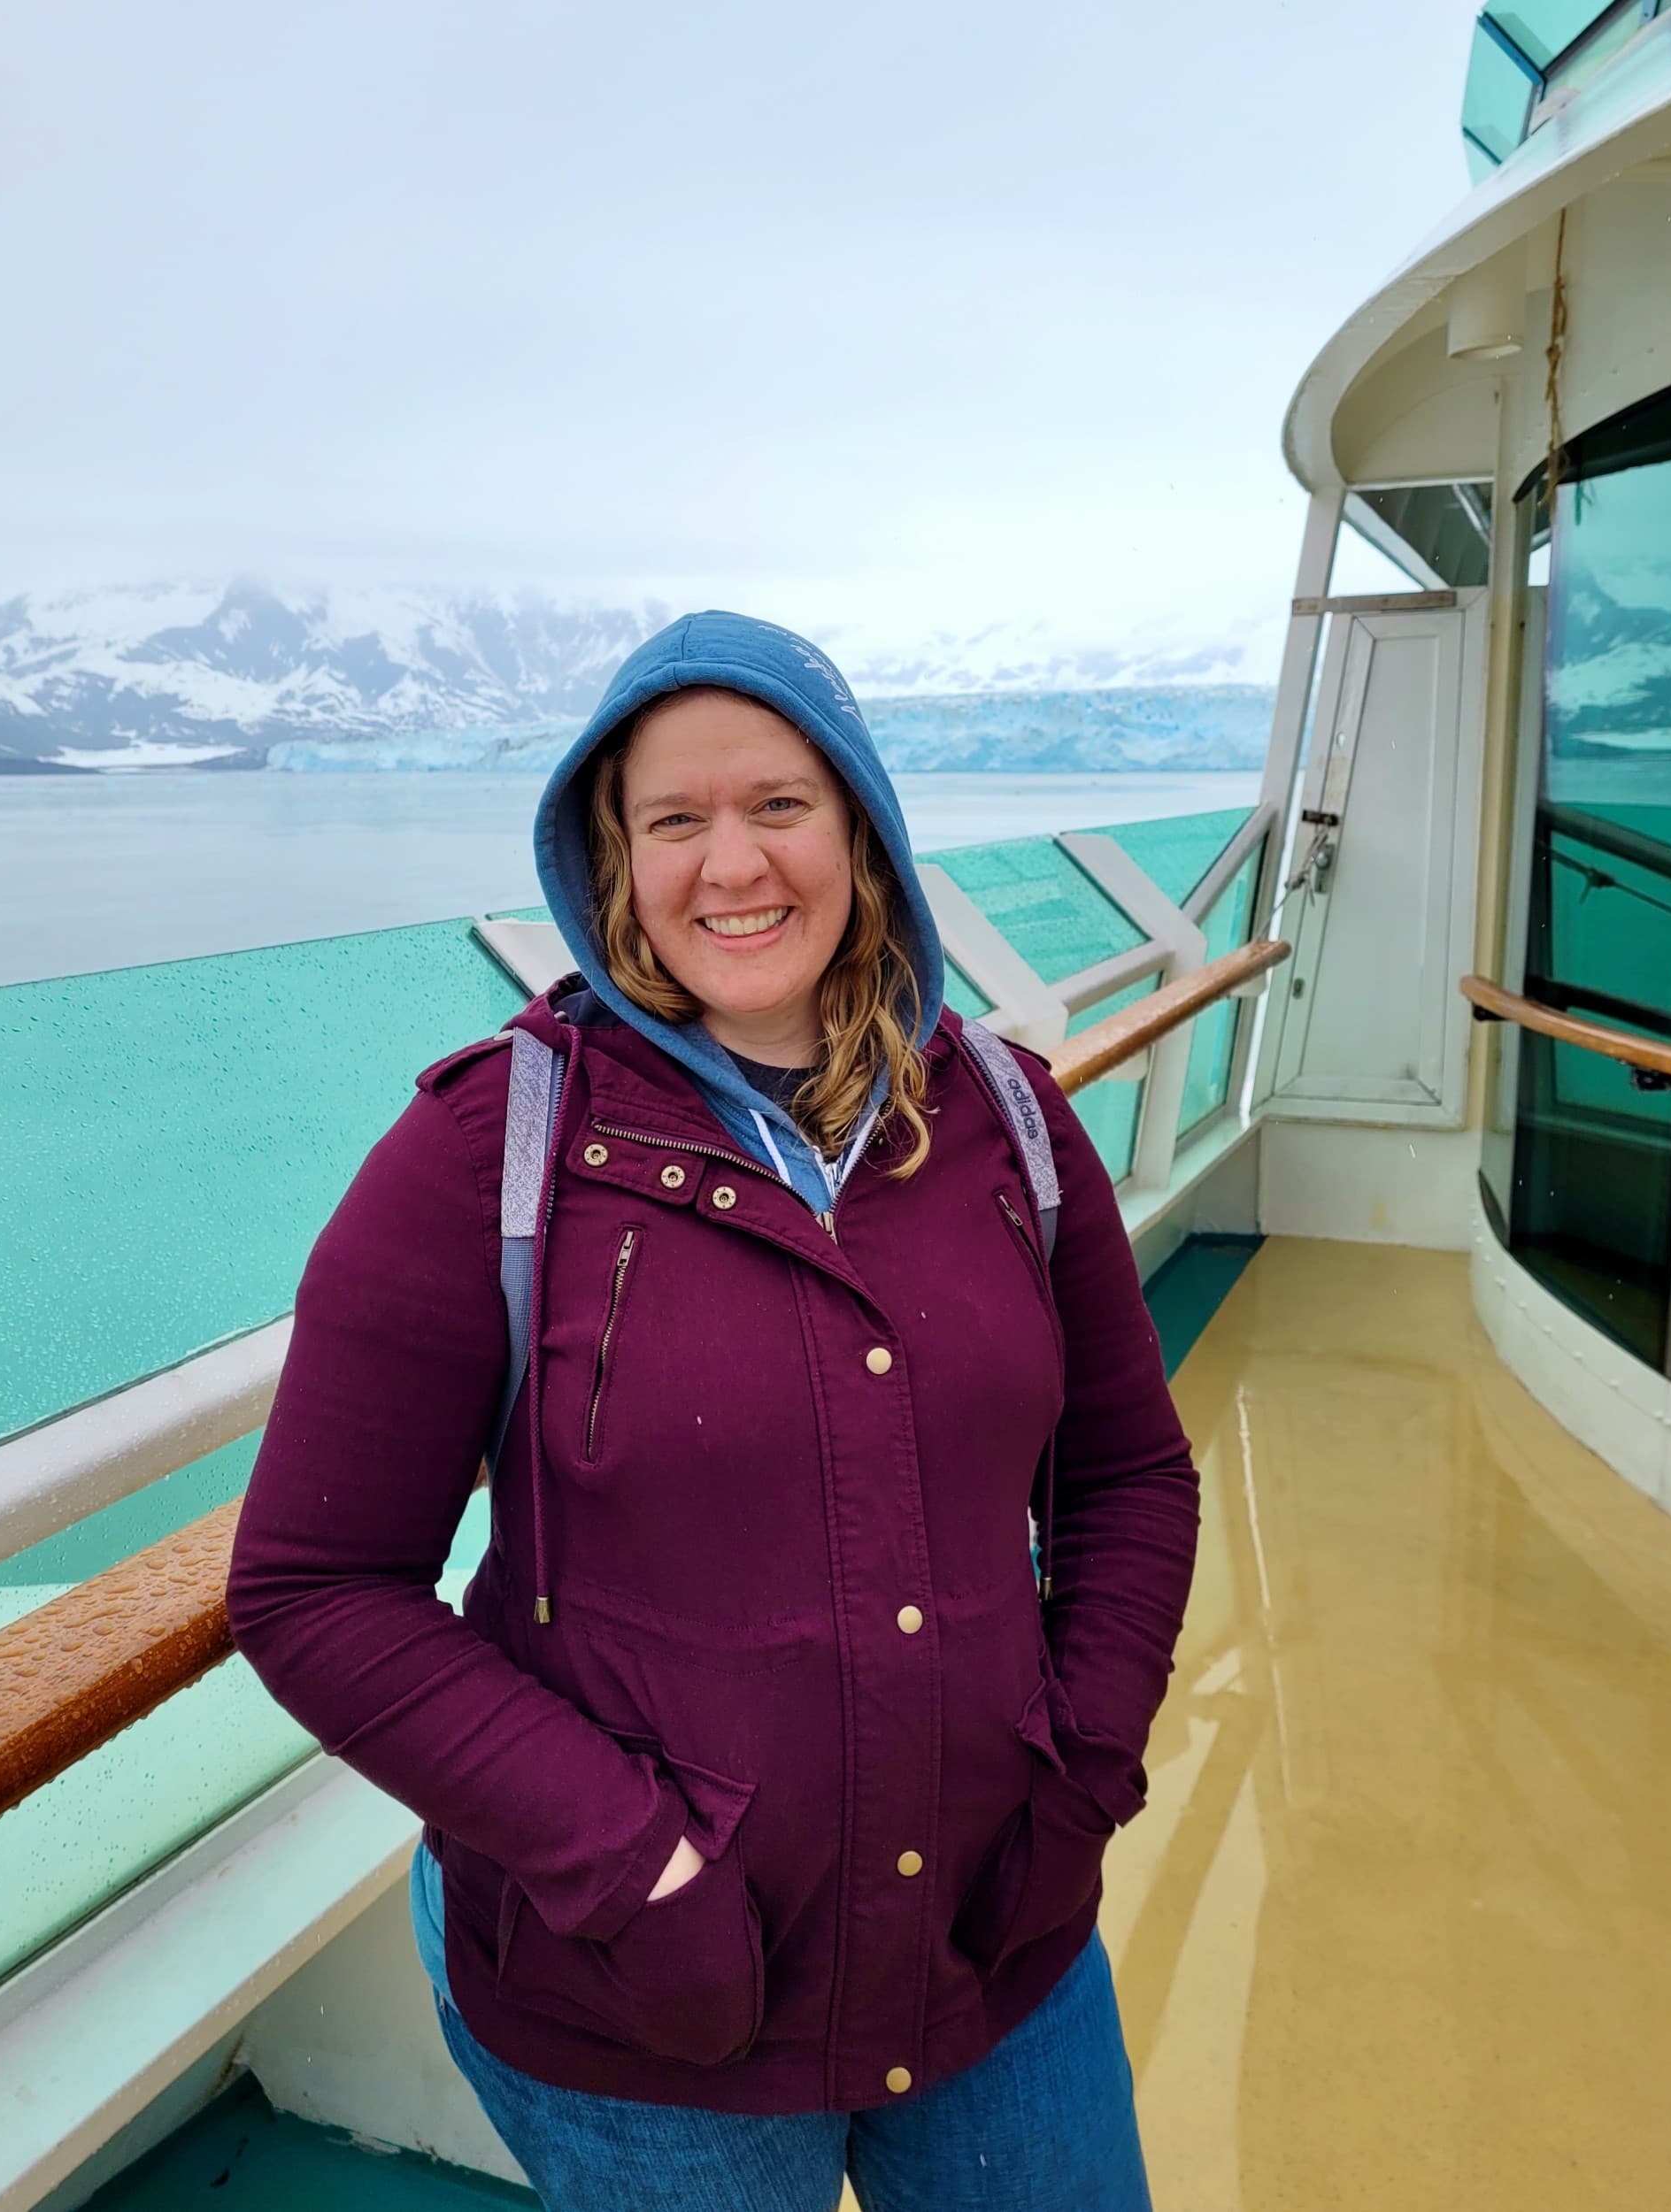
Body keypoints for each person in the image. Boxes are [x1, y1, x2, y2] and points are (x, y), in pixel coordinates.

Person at [227, 611, 1200, 2211]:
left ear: (865, 835)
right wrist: (635, 1868)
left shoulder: (1010, 1123)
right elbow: (315, 1588)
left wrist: (1083, 1773)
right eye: (673, 820)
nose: (730, 865)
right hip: (643, 2011)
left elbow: (1125, 1479)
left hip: (992, 1948)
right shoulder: (489, 1155)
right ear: (612, 862)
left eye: (779, 806)